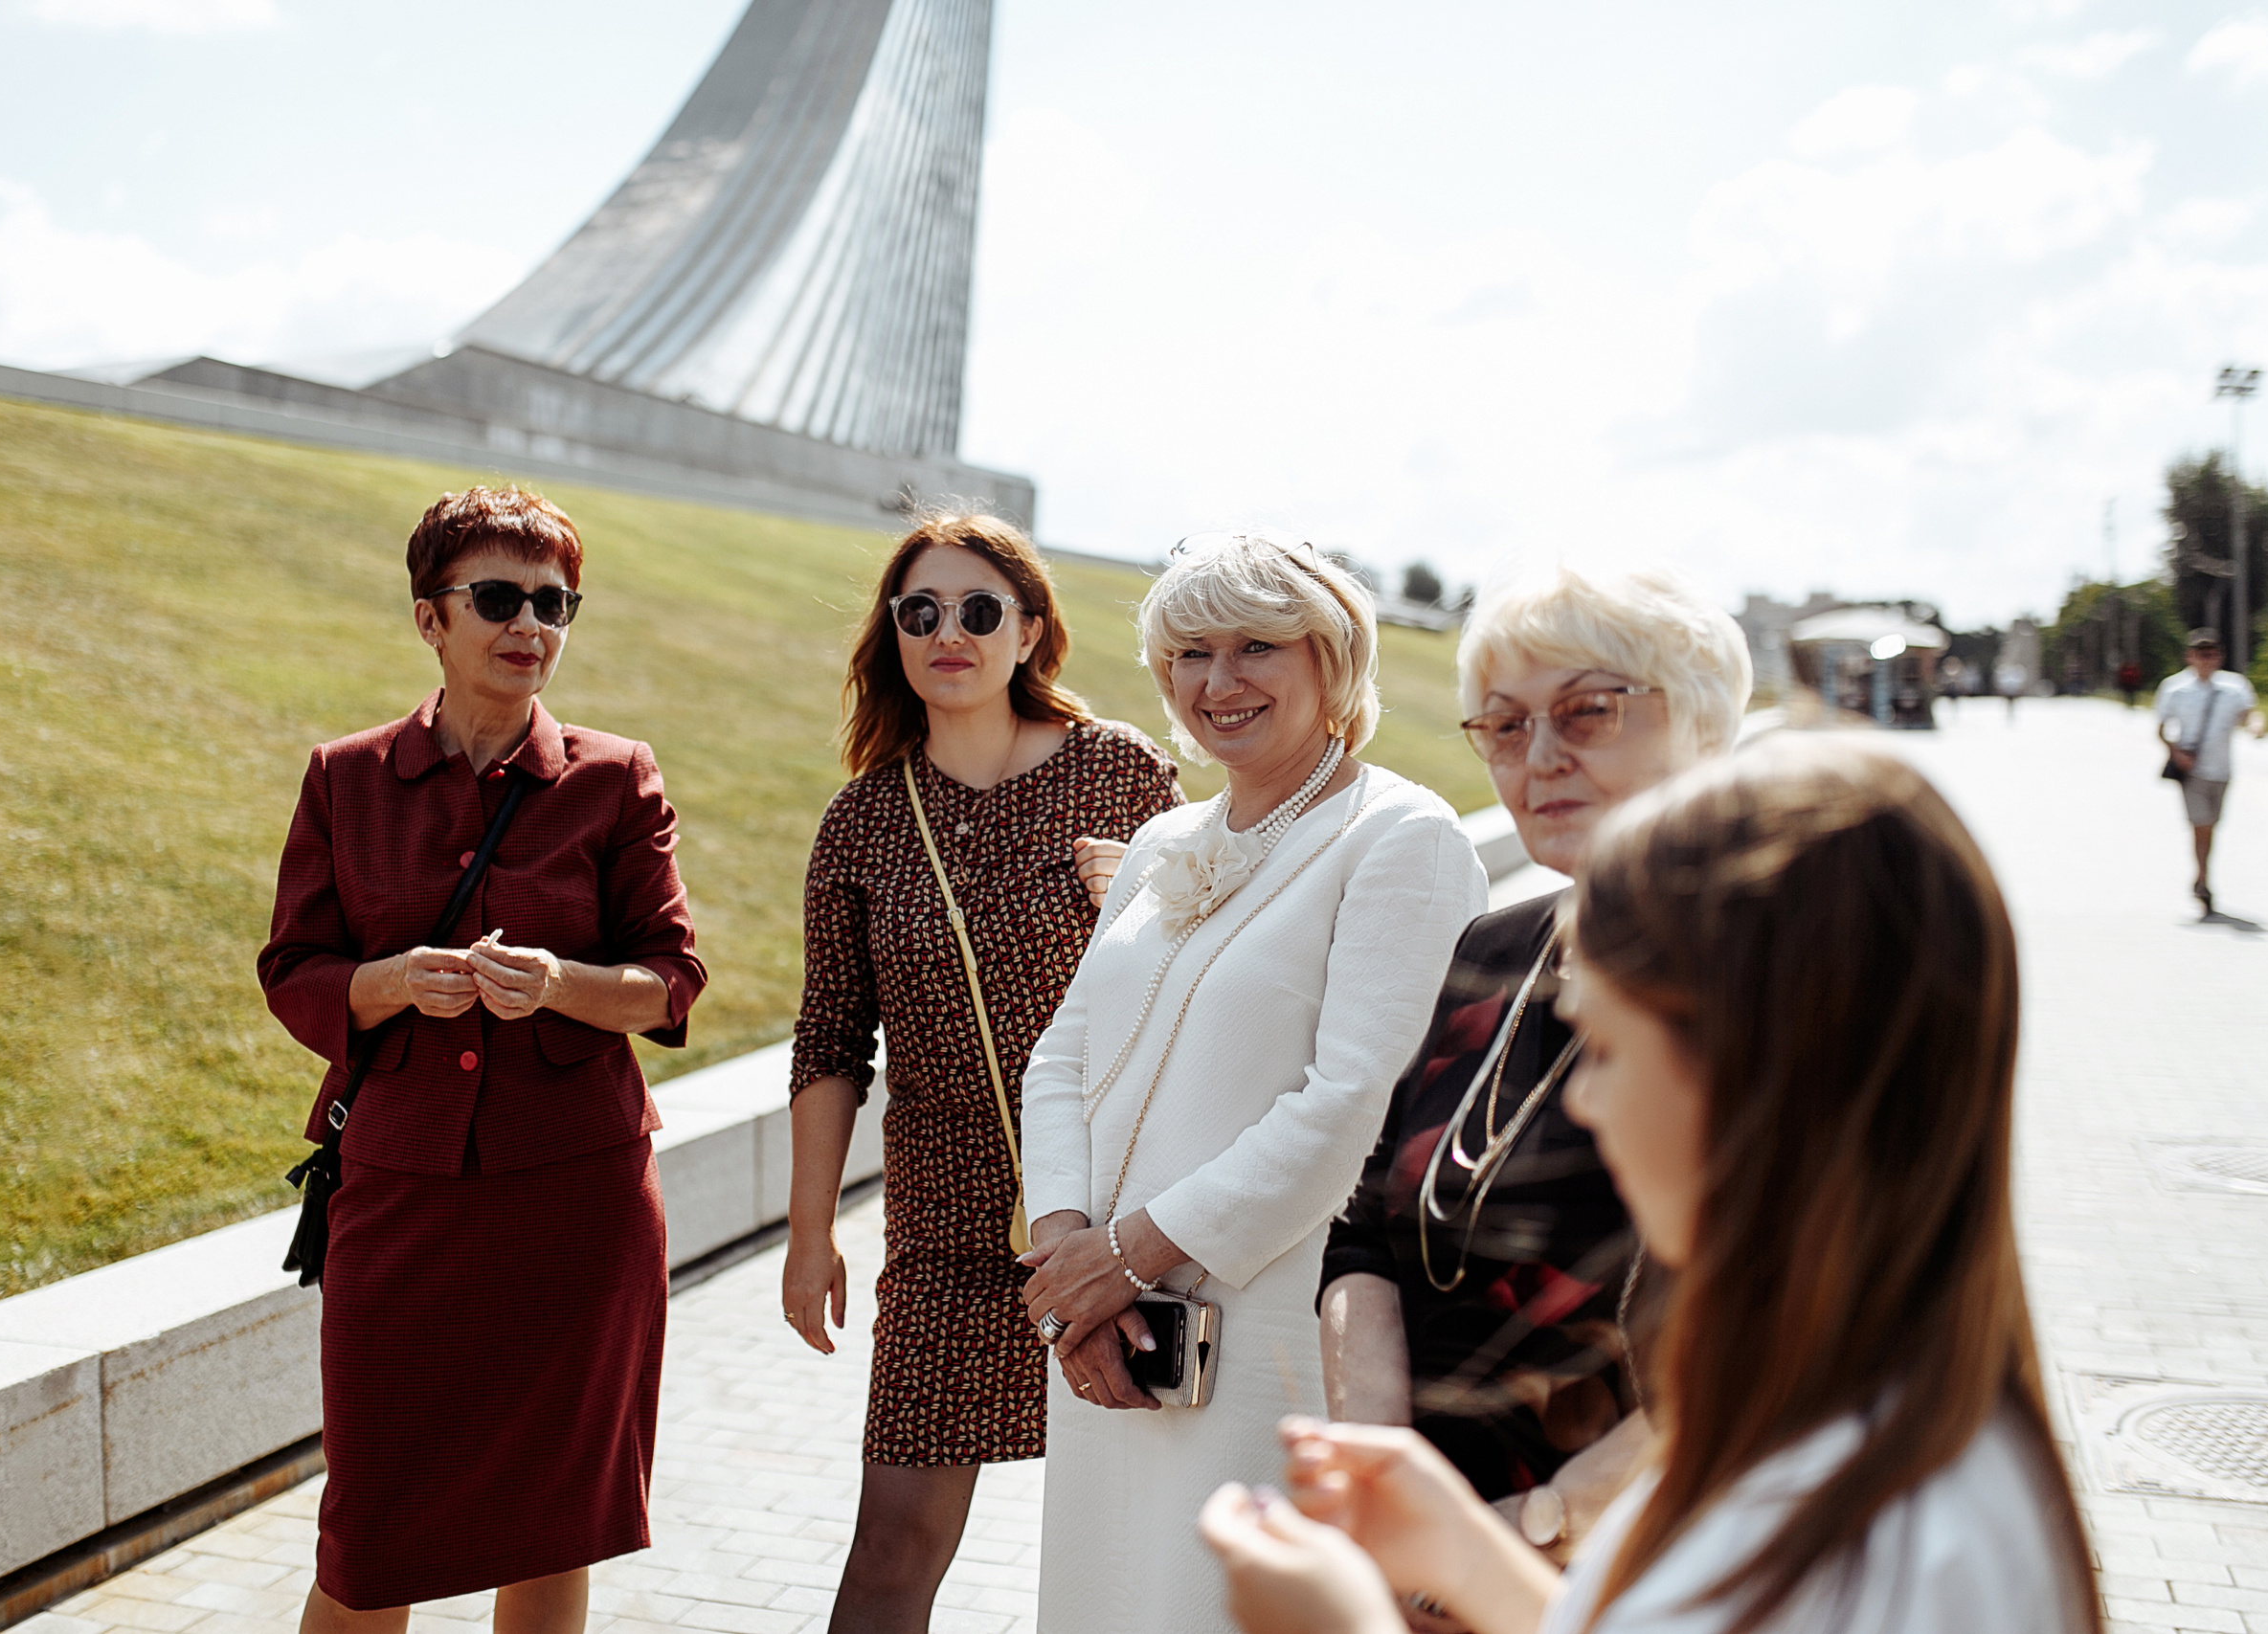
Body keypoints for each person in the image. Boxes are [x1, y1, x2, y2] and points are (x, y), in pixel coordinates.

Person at [1201, 736, 2103, 1634]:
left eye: (1607, 1047)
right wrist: (1462, 1555)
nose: (1583, 1102)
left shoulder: (1876, 1526)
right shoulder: (1865, 1427)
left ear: (1754, 1073)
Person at [1016, 530, 1491, 1634]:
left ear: (1332, 660)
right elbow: (1061, 1059)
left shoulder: (1400, 838)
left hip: (1264, 1334)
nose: (1216, 683)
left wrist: (1128, 1254)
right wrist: (1069, 1265)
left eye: (1254, 647)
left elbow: (1357, 1105)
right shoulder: (1160, 843)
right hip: (1108, 1342)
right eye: (1188, 653)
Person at [259, 487, 706, 1631]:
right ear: (429, 618)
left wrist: (560, 986)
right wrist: (393, 980)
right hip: (400, 1195)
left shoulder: (617, 777)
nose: (531, 626)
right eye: (498, 597)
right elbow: (294, 970)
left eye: (554, 603)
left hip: (577, 1199)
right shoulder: (343, 776)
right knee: (372, 1533)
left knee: (554, 1524)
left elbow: (670, 980)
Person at [785, 513, 1181, 1632]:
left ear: (1031, 630)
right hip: (948, 1231)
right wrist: (811, 1233)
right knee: (892, 1548)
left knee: (1146, 1535)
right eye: (920, 612)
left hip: (1117, 1218)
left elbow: (1203, 972)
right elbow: (828, 1043)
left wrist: (1140, 902)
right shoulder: (863, 822)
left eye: (978, 609)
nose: (946, 632)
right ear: (894, 638)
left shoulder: (1120, 774)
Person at [1317, 566, 1751, 1585]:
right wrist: (1384, 1488)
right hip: (1427, 1553)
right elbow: (1364, 1232)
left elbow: (1802, 1327)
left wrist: (1535, 1526)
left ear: (1700, 724)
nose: (1540, 757)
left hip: (1642, 1557)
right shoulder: (1489, 953)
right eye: (1504, 727)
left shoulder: (1773, 980)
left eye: (1588, 712)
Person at [2154, 628, 2264, 916]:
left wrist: (2256, 725)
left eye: (2212, 654)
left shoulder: (2234, 686)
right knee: (2200, 826)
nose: (2206, 660)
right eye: (2201, 655)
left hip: (2222, 769)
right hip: (2193, 771)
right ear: (2190, 657)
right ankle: (2203, 879)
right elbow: (2161, 729)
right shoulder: (2174, 688)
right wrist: (2177, 754)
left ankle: (2202, 874)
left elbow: (2250, 713)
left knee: (2211, 826)